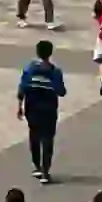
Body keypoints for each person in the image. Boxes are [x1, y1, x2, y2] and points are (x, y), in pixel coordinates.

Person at [17, 38, 65, 183]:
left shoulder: (29, 69)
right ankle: (45, 171)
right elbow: (61, 91)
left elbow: (22, 87)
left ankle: (37, 166)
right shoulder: (54, 71)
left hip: (32, 108)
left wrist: (19, 105)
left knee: (34, 136)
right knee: (48, 139)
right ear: (50, 53)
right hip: (49, 110)